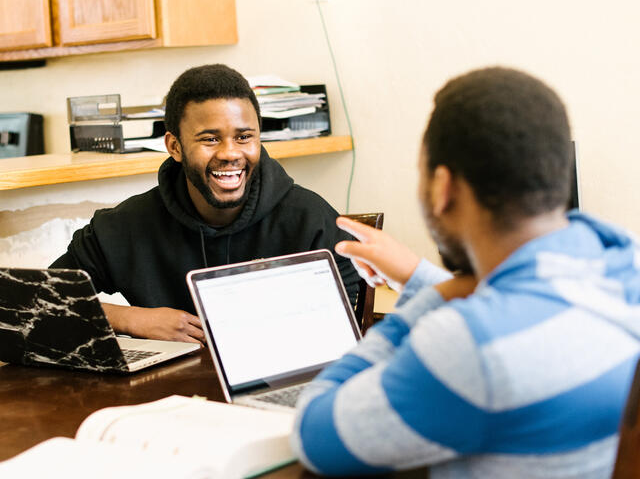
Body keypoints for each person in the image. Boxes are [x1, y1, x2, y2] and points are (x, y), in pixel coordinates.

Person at [291, 67, 640, 477]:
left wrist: (426, 303)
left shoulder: (468, 347)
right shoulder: (621, 265)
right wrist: (419, 276)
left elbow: (315, 435)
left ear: (443, 187)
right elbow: (518, 314)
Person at [51, 64, 359, 344]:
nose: (229, 153)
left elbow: (343, 338)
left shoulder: (311, 222)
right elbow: (33, 302)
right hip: (163, 396)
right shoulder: (123, 226)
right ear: (175, 146)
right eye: (210, 139)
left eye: (244, 137)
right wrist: (129, 318)